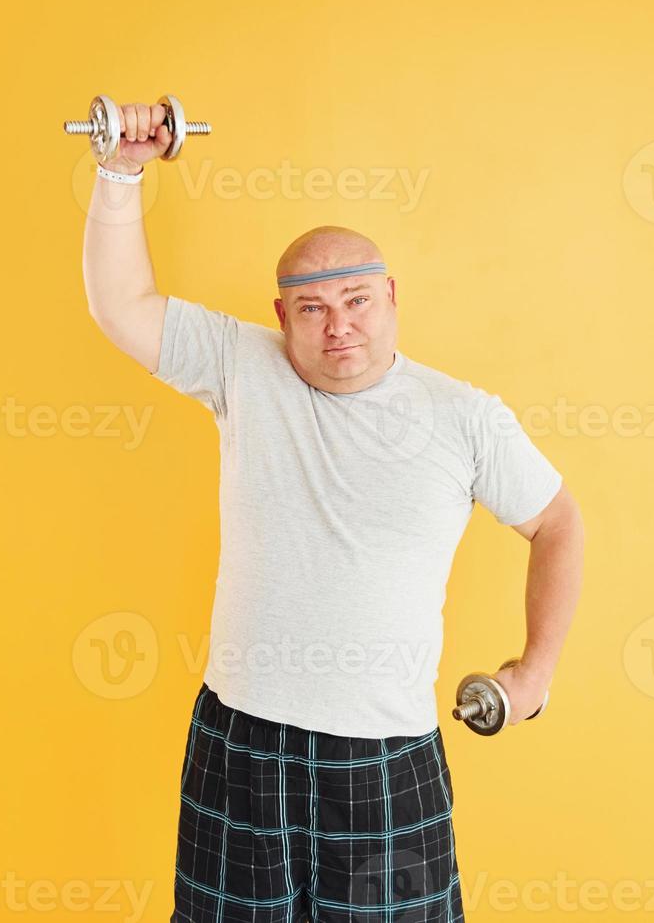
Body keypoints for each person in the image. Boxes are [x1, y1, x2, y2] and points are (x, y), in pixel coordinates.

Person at [83, 102, 585, 923]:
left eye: (356, 299)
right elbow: (120, 303)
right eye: (313, 307)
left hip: (386, 753)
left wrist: (534, 672)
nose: (339, 325)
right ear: (282, 317)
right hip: (243, 741)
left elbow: (557, 522)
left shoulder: (464, 416)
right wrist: (119, 169)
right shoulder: (241, 366)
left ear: (390, 296)